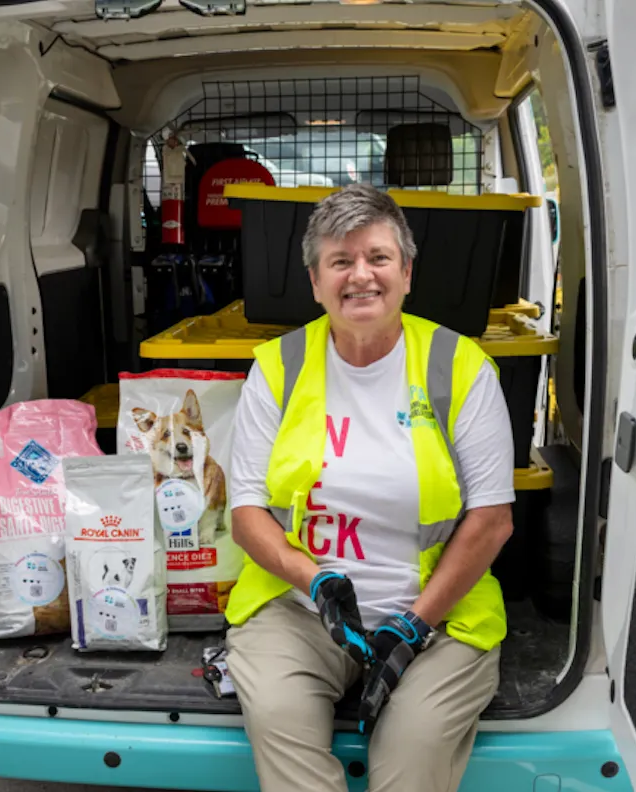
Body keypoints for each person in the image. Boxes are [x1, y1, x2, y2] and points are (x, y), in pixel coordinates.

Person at [221, 183, 516, 792]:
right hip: (300, 612)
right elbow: (247, 511)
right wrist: (318, 582)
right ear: (314, 280)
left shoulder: (461, 367)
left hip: (438, 620)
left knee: (409, 761)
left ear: (406, 273)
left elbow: (492, 519)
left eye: (379, 258)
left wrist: (415, 624)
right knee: (279, 716)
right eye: (340, 261)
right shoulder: (278, 367)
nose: (362, 276)